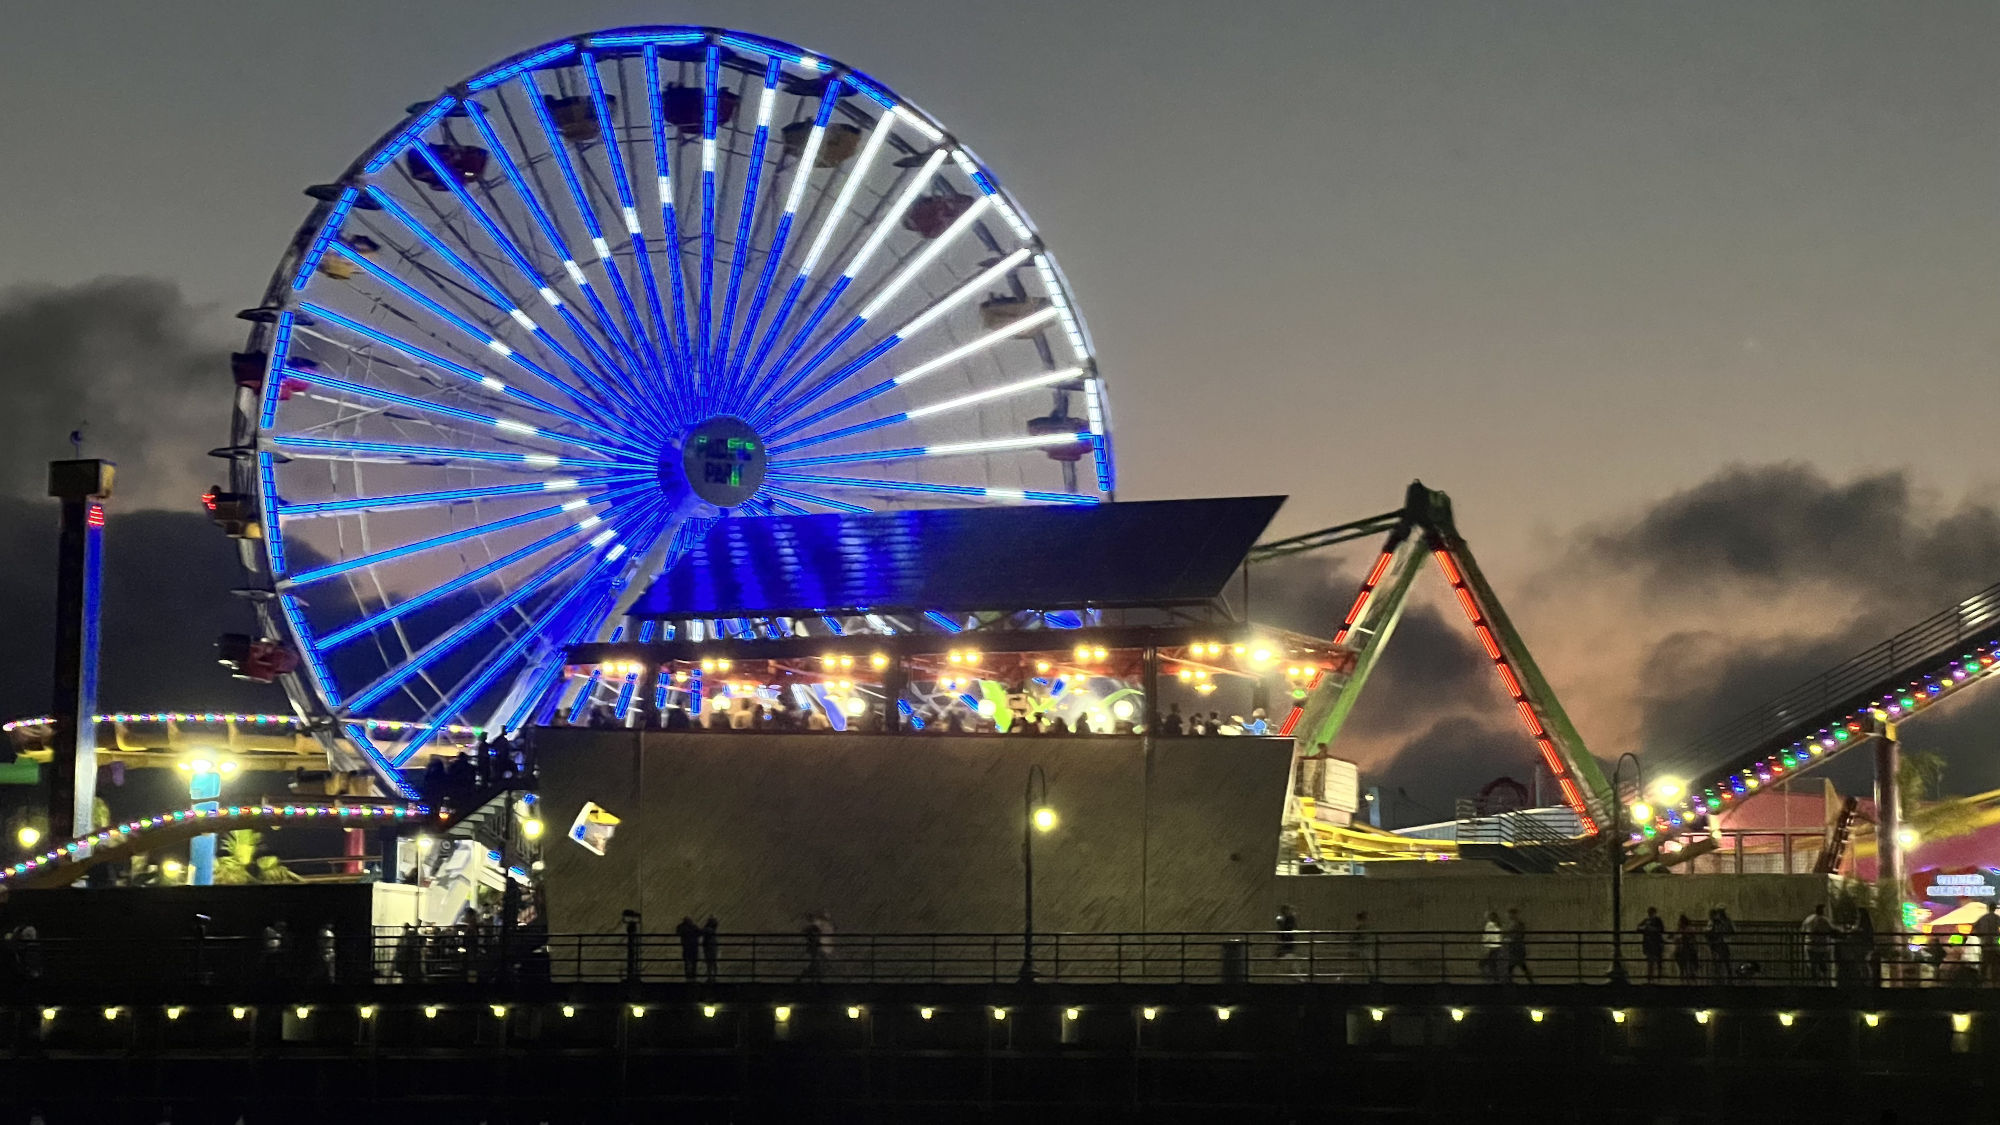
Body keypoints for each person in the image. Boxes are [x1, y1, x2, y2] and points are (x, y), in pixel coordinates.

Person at [1801, 903, 1835, 985]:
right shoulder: (1824, 920)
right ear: (1822, 910)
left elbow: (1802, 930)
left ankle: (1815, 982)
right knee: (1821, 962)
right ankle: (1824, 981)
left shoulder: (1809, 919)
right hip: (1821, 946)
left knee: (1813, 964)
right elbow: (1831, 930)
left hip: (1810, 945)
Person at [1636, 906, 1667, 984]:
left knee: (1657, 960)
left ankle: (1657, 976)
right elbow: (1638, 927)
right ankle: (1651, 977)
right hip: (1650, 943)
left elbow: (1661, 929)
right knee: (1651, 961)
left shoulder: (1657, 920)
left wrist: (1650, 929)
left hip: (1655, 943)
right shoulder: (1646, 920)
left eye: (1651, 912)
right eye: (1649, 912)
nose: (1650, 914)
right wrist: (1644, 928)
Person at [1707, 906, 1736, 984]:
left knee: (1723, 960)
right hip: (1720, 943)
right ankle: (1723, 975)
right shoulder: (1719, 921)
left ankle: (1722, 975)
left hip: (1721, 943)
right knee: (1723, 960)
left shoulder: (1719, 922)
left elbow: (1712, 931)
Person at [1503, 907, 1533, 983]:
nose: (1508, 916)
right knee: (1519, 965)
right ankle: (1530, 981)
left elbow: (1517, 936)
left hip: (1516, 947)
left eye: (1510, 914)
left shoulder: (1517, 924)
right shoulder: (1515, 924)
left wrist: (1507, 939)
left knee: (1514, 964)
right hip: (1516, 947)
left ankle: (1509, 981)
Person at [1974, 904, 2000, 986]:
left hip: (1985, 945)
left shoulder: (1983, 918)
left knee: (1984, 965)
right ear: (1995, 908)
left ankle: (1981, 984)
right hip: (1994, 946)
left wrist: (1981, 936)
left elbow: (1975, 927)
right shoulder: (1997, 918)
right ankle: (1995, 983)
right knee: (1995, 965)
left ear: (1988, 908)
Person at [1674, 914, 1700, 984]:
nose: (1679, 923)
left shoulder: (1689, 928)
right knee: (1678, 956)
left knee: (1688, 959)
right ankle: (1685, 973)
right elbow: (1676, 937)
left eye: (1680, 921)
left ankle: (1689, 974)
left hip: (1689, 948)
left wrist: (1684, 936)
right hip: (1682, 948)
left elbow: (1692, 936)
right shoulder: (1680, 928)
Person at [1480, 911, 1503, 983]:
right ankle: (1495, 979)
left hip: (1491, 947)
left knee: (1486, 964)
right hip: (1496, 947)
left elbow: (1487, 936)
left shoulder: (1490, 925)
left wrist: (1484, 943)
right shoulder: (1498, 925)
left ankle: (1493, 979)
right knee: (1492, 964)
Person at [676, 916, 701, 983]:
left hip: (686, 947)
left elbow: (678, 932)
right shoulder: (694, 927)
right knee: (693, 961)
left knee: (687, 962)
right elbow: (699, 933)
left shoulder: (682, 927)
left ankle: (688, 976)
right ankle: (693, 976)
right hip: (694, 946)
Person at [701, 916, 720, 984]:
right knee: (713, 962)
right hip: (712, 947)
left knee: (709, 963)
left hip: (708, 947)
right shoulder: (712, 930)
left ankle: (710, 977)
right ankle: (714, 977)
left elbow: (701, 932)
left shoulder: (707, 929)